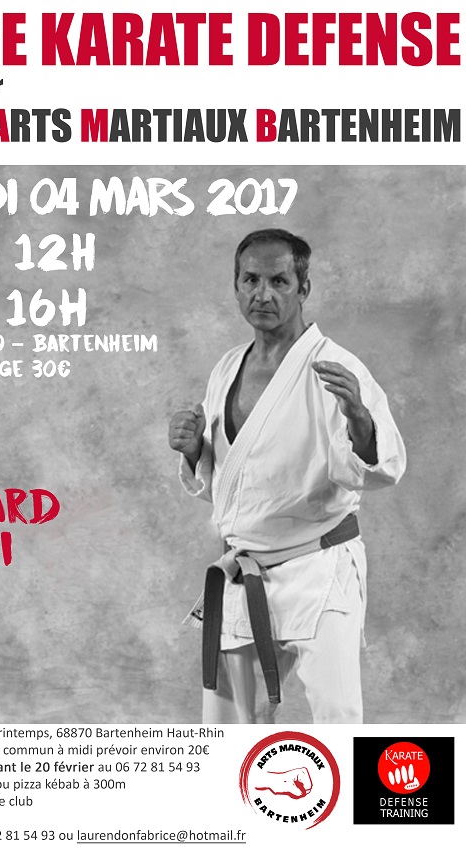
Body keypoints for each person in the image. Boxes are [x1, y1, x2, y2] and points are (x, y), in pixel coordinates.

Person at [168, 228, 406, 724]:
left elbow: (383, 470)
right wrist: (194, 451)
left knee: (338, 715)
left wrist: (361, 422)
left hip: (318, 567)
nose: (263, 294)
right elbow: (235, 488)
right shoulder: (226, 368)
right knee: (228, 723)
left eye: (278, 281)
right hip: (246, 571)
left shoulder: (336, 368)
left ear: (303, 288)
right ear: (236, 286)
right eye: (250, 280)